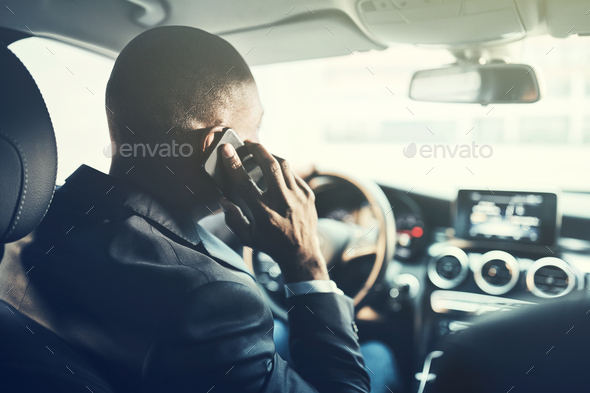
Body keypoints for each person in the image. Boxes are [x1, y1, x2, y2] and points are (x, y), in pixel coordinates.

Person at [0, 26, 398, 392]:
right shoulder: (210, 298)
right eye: (254, 130)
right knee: (381, 355)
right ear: (217, 147)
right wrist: (307, 263)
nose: (262, 143)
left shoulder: (26, 221)